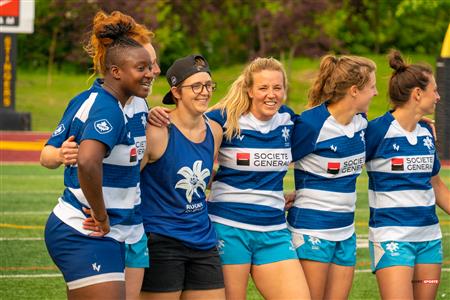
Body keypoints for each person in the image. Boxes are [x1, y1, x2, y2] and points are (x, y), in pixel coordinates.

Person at [149, 57, 310, 300]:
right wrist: (156, 113)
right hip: (228, 228)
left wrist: (306, 192)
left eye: (277, 88)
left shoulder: (288, 120)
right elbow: (187, 129)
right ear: (249, 89)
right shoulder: (222, 120)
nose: (271, 94)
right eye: (263, 88)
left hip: (274, 230)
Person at [41, 11, 153, 299]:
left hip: (119, 231)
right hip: (85, 230)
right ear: (116, 71)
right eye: (142, 67)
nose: (151, 72)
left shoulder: (134, 105)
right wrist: (102, 217)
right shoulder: (106, 107)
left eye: (151, 65)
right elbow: (88, 160)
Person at [287, 55, 378, 299]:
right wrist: (278, 197)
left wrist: (415, 120)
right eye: (372, 87)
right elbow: (276, 160)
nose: (376, 93)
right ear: (354, 91)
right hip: (312, 230)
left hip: (346, 231)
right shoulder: (311, 124)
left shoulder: (361, 122)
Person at [365, 50, 450, 300]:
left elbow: (436, 184)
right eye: (434, 90)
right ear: (417, 94)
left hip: (429, 241)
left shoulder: (425, 132)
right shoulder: (377, 130)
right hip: (392, 239)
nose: (438, 96)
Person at [139, 54, 225, 300]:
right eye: (195, 86)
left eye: (208, 85)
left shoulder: (215, 131)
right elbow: (129, 181)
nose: (205, 92)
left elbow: (204, 177)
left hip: (203, 239)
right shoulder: (156, 131)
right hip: (161, 240)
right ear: (176, 92)